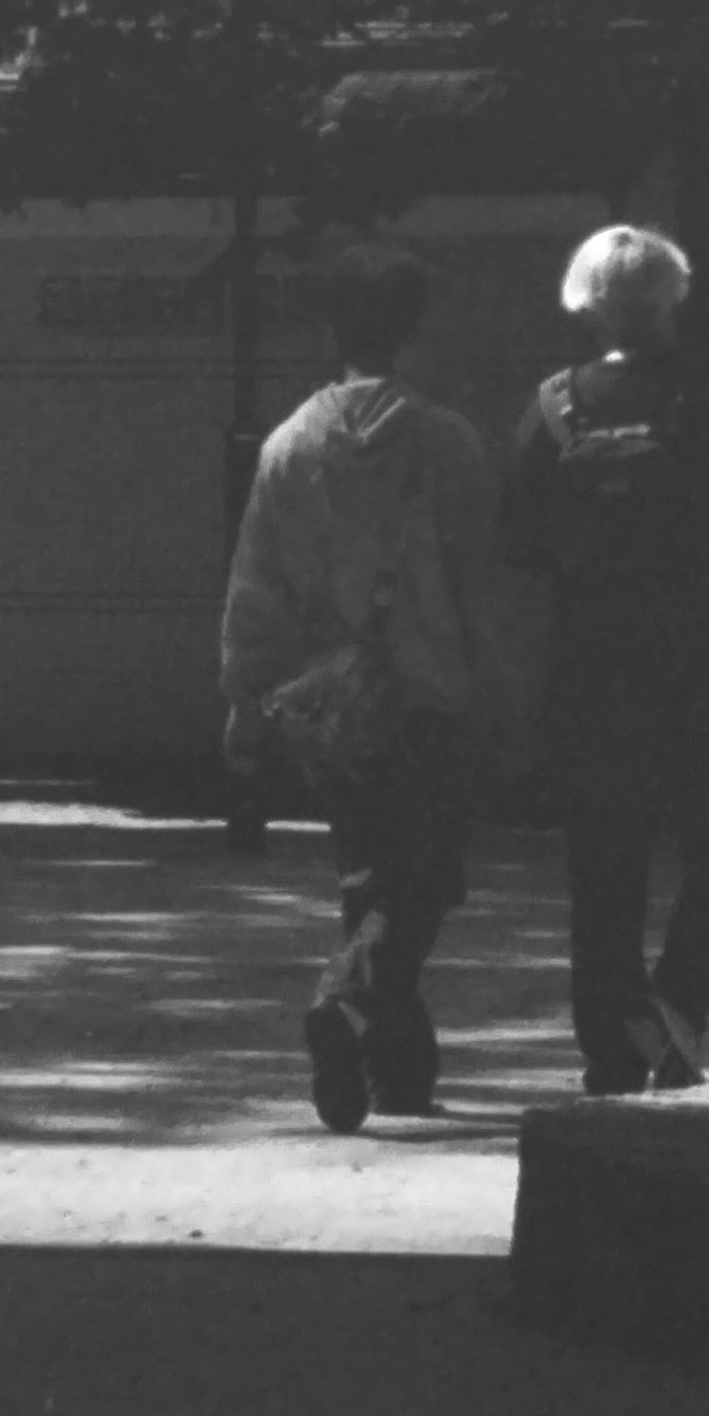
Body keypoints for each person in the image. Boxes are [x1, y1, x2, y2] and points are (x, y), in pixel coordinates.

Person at [501, 220, 709, 1096]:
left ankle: (609, 1051)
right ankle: (677, 1003)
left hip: (595, 673)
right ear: (674, 298)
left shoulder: (550, 410)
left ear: (584, 304)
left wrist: (528, 684)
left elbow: (521, 566)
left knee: (604, 867)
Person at [219, 251, 501, 1129]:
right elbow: (481, 586)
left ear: (330, 332)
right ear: (413, 330)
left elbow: (256, 586)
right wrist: (504, 690)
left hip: (329, 707)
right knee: (423, 884)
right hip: (430, 695)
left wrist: (244, 700)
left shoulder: (287, 446)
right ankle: (345, 1003)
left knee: (369, 876)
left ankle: (395, 1075)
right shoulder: (447, 443)